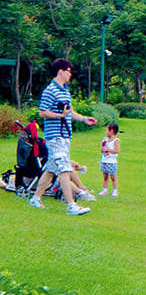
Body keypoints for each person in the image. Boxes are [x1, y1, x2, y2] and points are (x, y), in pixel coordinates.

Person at [29, 59, 97, 215]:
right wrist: (60, 115)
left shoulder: (65, 90)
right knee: (65, 169)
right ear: (60, 72)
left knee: (50, 170)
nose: (70, 74)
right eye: (68, 71)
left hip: (64, 137)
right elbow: (43, 112)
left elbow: (69, 112)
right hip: (55, 137)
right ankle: (71, 205)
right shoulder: (50, 90)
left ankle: (35, 199)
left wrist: (84, 119)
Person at [98, 123, 120, 197]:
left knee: (113, 177)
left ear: (112, 131)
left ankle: (115, 191)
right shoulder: (105, 140)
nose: (106, 132)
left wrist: (108, 150)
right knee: (105, 176)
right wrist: (102, 149)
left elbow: (117, 150)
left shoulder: (116, 141)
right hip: (104, 160)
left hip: (111, 162)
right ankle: (104, 190)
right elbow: (102, 149)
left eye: (107, 130)